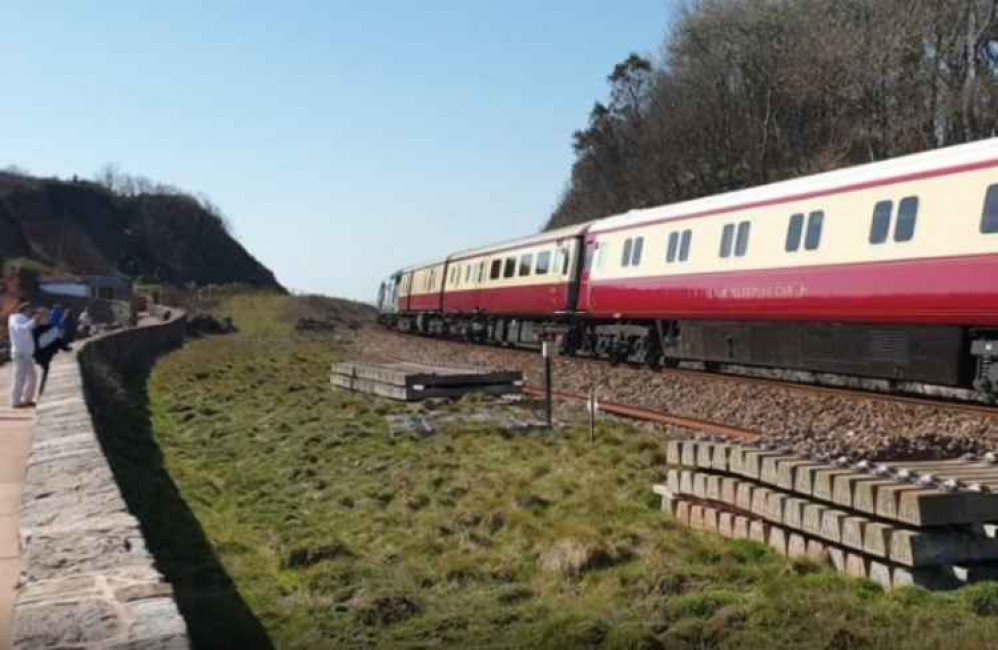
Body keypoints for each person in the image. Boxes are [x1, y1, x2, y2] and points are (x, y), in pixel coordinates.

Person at [7, 303, 38, 408]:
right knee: (20, 378)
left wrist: (36, 319)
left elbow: (31, 326)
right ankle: (15, 402)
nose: (31, 312)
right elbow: (21, 328)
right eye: (30, 310)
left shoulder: (24, 319)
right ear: (24, 310)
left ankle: (27, 399)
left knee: (32, 377)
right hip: (19, 352)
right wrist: (34, 319)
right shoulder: (15, 318)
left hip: (27, 353)